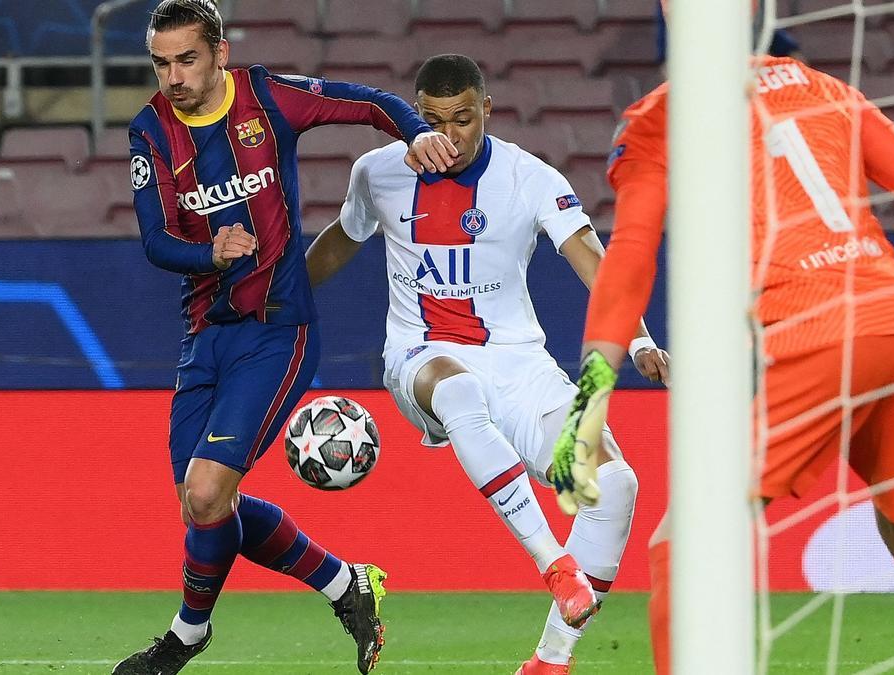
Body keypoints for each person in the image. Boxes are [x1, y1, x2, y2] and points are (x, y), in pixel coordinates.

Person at [552, 41, 894, 675]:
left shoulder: (660, 114)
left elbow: (631, 255)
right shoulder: (820, 86)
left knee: (682, 547)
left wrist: (593, 390)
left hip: (812, 328)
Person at [115, 2, 457, 674]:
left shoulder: (268, 98)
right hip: (203, 336)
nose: (174, 76)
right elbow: (155, 238)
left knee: (210, 493)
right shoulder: (151, 129)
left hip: (276, 328)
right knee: (203, 505)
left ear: (220, 51)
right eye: (162, 62)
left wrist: (415, 132)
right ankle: (346, 582)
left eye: (187, 58)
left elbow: (370, 102)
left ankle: (185, 636)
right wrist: (209, 254)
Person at [304, 54, 670, 675]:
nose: (450, 135)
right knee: (459, 392)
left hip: (519, 362)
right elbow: (344, 236)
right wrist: (275, 295)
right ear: (416, 114)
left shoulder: (529, 177)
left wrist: (637, 342)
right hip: (421, 358)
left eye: (464, 119)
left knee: (615, 487)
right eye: (435, 119)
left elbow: (592, 258)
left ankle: (552, 661)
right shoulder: (378, 172)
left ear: (487, 110)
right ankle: (554, 564)